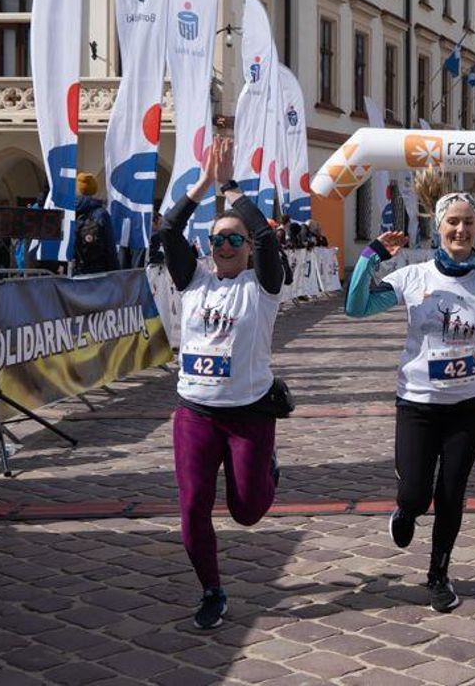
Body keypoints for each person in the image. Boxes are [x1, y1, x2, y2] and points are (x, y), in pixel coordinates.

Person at [345, 192, 475, 612]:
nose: (461, 230)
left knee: (451, 493)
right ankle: (404, 511)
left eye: (468, 222)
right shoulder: (413, 277)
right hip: (418, 402)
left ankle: (438, 574)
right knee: (414, 494)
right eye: (453, 222)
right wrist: (372, 256)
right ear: (439, 226)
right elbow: (356, 308)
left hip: (468, 403)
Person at [160, 136, 287, 629]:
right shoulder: (192, 281)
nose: (227, 246)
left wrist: (232, 189)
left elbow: (271, 240)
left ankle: (267, 471)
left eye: (236, 239)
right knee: (192, 506)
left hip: (250, 412)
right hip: (195, 412)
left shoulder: (263, 288)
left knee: (248, 512)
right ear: (208, 247)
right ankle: (211, 589)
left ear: (249, 248)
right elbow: (168, 229)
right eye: (218, 239)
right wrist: (201, 185)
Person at [73, 172, 119, 275]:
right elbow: (110, 246)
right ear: (94, 190)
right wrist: (115, 272)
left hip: (75, 269)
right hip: (98, 271)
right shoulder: (101, 213)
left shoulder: (71, 211)